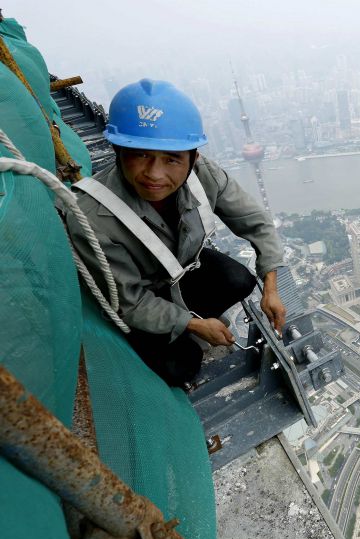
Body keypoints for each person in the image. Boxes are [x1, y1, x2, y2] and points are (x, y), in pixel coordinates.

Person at [65, 78, 286, 387]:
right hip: (139, 297)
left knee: (242, 280)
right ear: (118, 151)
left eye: (171, 159)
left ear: (193, 158)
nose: (155, 174)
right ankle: (172, 337)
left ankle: (186, 327)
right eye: (140, 155)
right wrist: (193, 325)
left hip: (179, 275)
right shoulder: (92, 216)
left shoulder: (201, 174)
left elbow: (256, 221)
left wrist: (271, 287)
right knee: (180, 368)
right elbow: (129, 302)